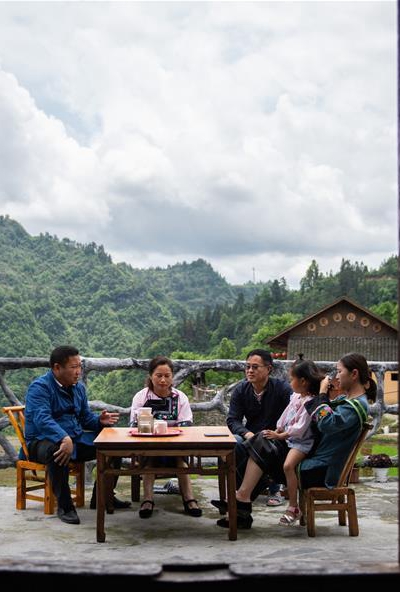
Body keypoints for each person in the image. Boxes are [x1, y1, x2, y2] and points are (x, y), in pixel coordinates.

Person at [215, 352, 370, 529]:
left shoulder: (354, 407)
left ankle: (241, 502)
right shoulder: (345, 400)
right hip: (313, 459)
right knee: (258, 445)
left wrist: (321, 393)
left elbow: (326, 423)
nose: (336, 376)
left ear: (354, 374)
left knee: (261, 447)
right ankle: (242, 502)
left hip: (321, 469)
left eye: (339, 371)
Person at [24, 345, 131, 525]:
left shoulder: (78, 388)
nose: (78, 372)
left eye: (80, 366)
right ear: (57, 368)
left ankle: (103, 497)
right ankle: (65, 507)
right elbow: (42, 419)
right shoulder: (40, 388)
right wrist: (63, 437)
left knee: (113, 444)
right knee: (57, 450)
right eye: (74, 367)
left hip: (74, 438)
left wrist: (99, 421)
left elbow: (85, 417)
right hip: (41, 441)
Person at [211, 349, 292, 513]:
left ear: (268, 369)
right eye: (247, 367)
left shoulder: (282, 389)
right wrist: (247, 434)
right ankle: (243, 495)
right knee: (235, 443)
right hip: (250, 436)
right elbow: (233, 419)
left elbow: (294, 417)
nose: (250, 371)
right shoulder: (241, 390)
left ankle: (256, 494)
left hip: (277, 438)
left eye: (255, 367)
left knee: (264, 444)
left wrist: (277, 434)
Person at [130, 355, 202, 519]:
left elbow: (186, 425)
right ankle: (148, 499)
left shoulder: (180, 397)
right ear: (151, 376)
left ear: (172, 377)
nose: (163, 380)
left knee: (181, 464)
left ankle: (189, 499)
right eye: (158, 375)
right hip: (148, 447)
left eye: (167, 376)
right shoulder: (141, 397)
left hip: (175, 447)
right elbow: (134, 425)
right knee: (149, 464)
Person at [264, 358, 321, 526]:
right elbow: (286, 414)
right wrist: (278, 428)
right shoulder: (296, 397)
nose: (290, 382)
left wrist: (280, 436)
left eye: (292, 379)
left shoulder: (311, 402)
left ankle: (293, 506)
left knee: (288, 466)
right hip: (289, 438)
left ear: (303, 381)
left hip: (302, 442)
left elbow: (301, 428)